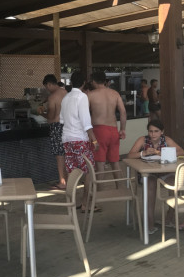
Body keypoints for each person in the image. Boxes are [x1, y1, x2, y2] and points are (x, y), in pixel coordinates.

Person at [125, 119, 184, 234]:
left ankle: (170, 217)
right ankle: (150, 223)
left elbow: (182, 152)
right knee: (150, 185)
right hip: (148, 172)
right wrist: (143, 153)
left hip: (165, 171)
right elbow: (130, 155)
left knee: (174, 183)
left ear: (162, 132)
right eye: (150, 131)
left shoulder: (166, 140)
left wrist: (163, 153)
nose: (153, 134)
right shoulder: (143, 140)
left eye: (156, 131)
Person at [60, 70, 98, 211]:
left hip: (66, 139)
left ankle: (71, 203)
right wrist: (94, 140)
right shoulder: (82, 97)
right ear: (84, 83)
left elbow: (62, 120)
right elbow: (86, 122)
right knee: (89, 171)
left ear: (71, 82)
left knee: (72, 171)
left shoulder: (66, 98)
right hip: (79, 140)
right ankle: (85, 204)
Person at [87, 70, 126, 178]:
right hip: (113, 130)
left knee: (100, 165)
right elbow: (123, 112)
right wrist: (123, 129)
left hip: (99, 131)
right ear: (104, 81)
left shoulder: (91, 95)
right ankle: (119, 186)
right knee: (115, 163)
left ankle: (100, 189)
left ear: (93, 81)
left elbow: (85, 115)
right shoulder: (115, 93)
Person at [40, 74, 68, 189]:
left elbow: (51, 116)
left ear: (49, 84)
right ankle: (67, 180)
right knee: (66, 154)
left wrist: (41, 113)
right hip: (67, 126)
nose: (47, 89)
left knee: (59, 155)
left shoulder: (52, 97)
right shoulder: (65, 92)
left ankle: (62, 182)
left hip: (56, 126)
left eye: (46, 87)